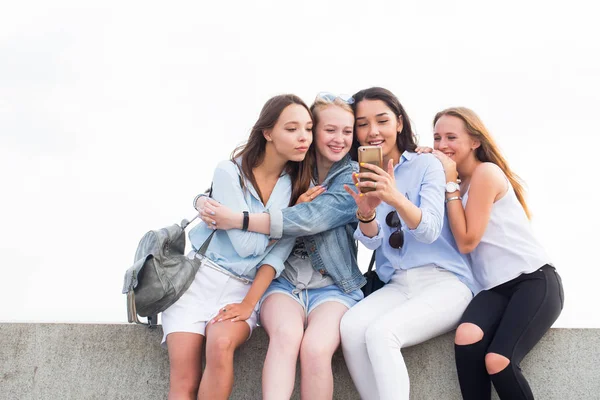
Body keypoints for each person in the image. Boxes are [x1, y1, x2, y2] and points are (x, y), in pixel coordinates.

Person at [197, 93, 369, 400]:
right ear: (313, 130)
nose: (339, 139)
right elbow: (238, 183)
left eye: (347, 131)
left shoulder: (354, 176)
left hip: (334, 286)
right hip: (283, 282)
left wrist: (237, 219)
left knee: (316, 348)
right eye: (330, 130)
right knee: (285, 336)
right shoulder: (293, 167)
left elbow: (309, 219)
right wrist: (201, 200)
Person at [161, 94, 313, 400]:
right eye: (292, 129)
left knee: (220, 344)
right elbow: (247, 246)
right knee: (184, 380)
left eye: (308, 129)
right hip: (198, 281)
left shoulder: (298, 185)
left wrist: (248, 304)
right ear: (268, 133)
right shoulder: (229, 171)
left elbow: (278, 255)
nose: (303, 138)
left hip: (244, 289)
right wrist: (281, 223)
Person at [340, 87, 476, 400]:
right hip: (399, 284)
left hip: (446, 281)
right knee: (350, 328)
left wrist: (394, 196)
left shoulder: (426, 165)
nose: (373, 131)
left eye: (382, 120)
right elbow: (373, 244)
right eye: (362, 124)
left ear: (399, 123)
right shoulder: (359, 174)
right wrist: (366, 212)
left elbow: (429, 230)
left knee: (381, 333)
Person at [430, 107, 564, 400]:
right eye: (437, 137)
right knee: (466, 337)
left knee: (498, 361)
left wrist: (449, 183)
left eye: (451, 137)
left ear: (475, 141)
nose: (442, 145)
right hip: (493, 289)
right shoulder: (450, 184)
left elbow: (467, 242)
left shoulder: (485, 173)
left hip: (533, 280)